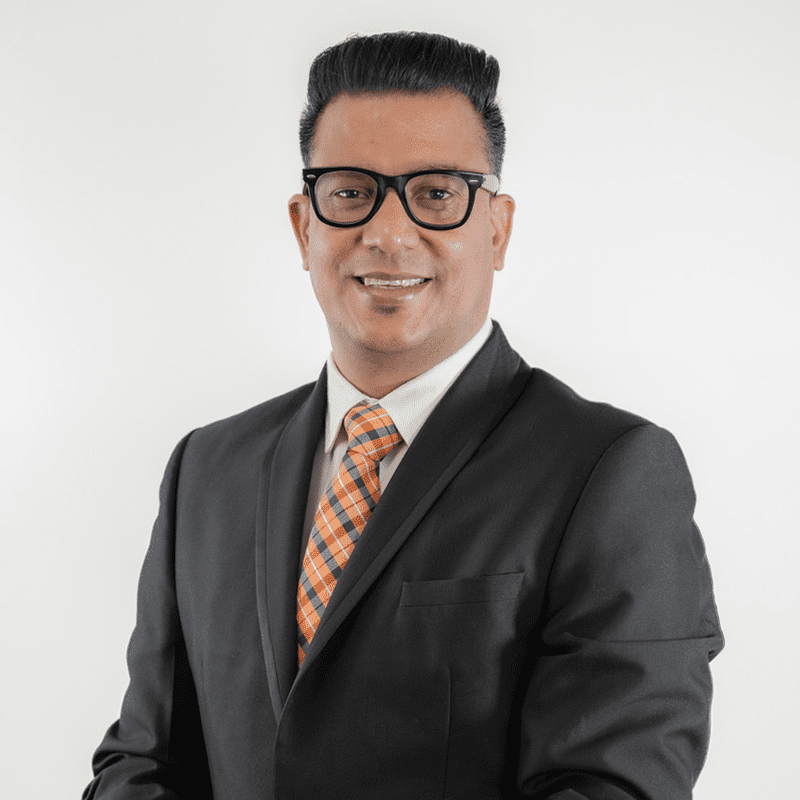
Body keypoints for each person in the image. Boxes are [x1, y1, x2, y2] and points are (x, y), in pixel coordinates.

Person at [83, 31, 723, 800]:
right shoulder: (208, 470)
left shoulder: (609, 472)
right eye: (351, 192)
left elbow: (611, 785)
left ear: (497, 229)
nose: (388, 233)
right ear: (304, 226)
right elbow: (144, 760)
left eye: (437, 193)